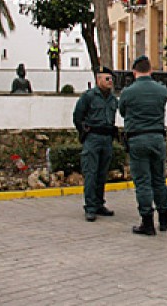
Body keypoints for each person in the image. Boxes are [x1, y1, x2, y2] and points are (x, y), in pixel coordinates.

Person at [119, 55, 167, 236]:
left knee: (143, 183)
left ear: (134, 72)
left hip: (137, 139)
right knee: (159, 180)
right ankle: (164, 220)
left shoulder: (128, 92)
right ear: (151, 70)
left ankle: (147, 223)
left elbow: (122, 111)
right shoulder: (162, 90)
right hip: (157, 138)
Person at [73, 66, 118, 222]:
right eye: (107, 79)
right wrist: (84, 132)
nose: (110, 81)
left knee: (102, 173)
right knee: (91, 173)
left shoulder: (113, 99)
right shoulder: (89, 96)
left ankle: (99, 204)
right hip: (93, 137)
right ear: (98, 80)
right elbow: (78, 116)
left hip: (107, 138)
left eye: (111, 79)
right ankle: (90, 207)